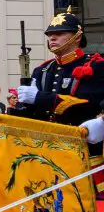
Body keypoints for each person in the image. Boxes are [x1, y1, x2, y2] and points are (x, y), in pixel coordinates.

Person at [15, 8, 104, 147]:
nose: (52, 38)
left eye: (59, 33)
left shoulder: (96, 65)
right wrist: (20, 106)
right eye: (50, 34)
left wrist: (39, 98)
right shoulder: (42, 70)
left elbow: (88, 105)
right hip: (45, 146)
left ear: (77, 37)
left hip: (83, 145)